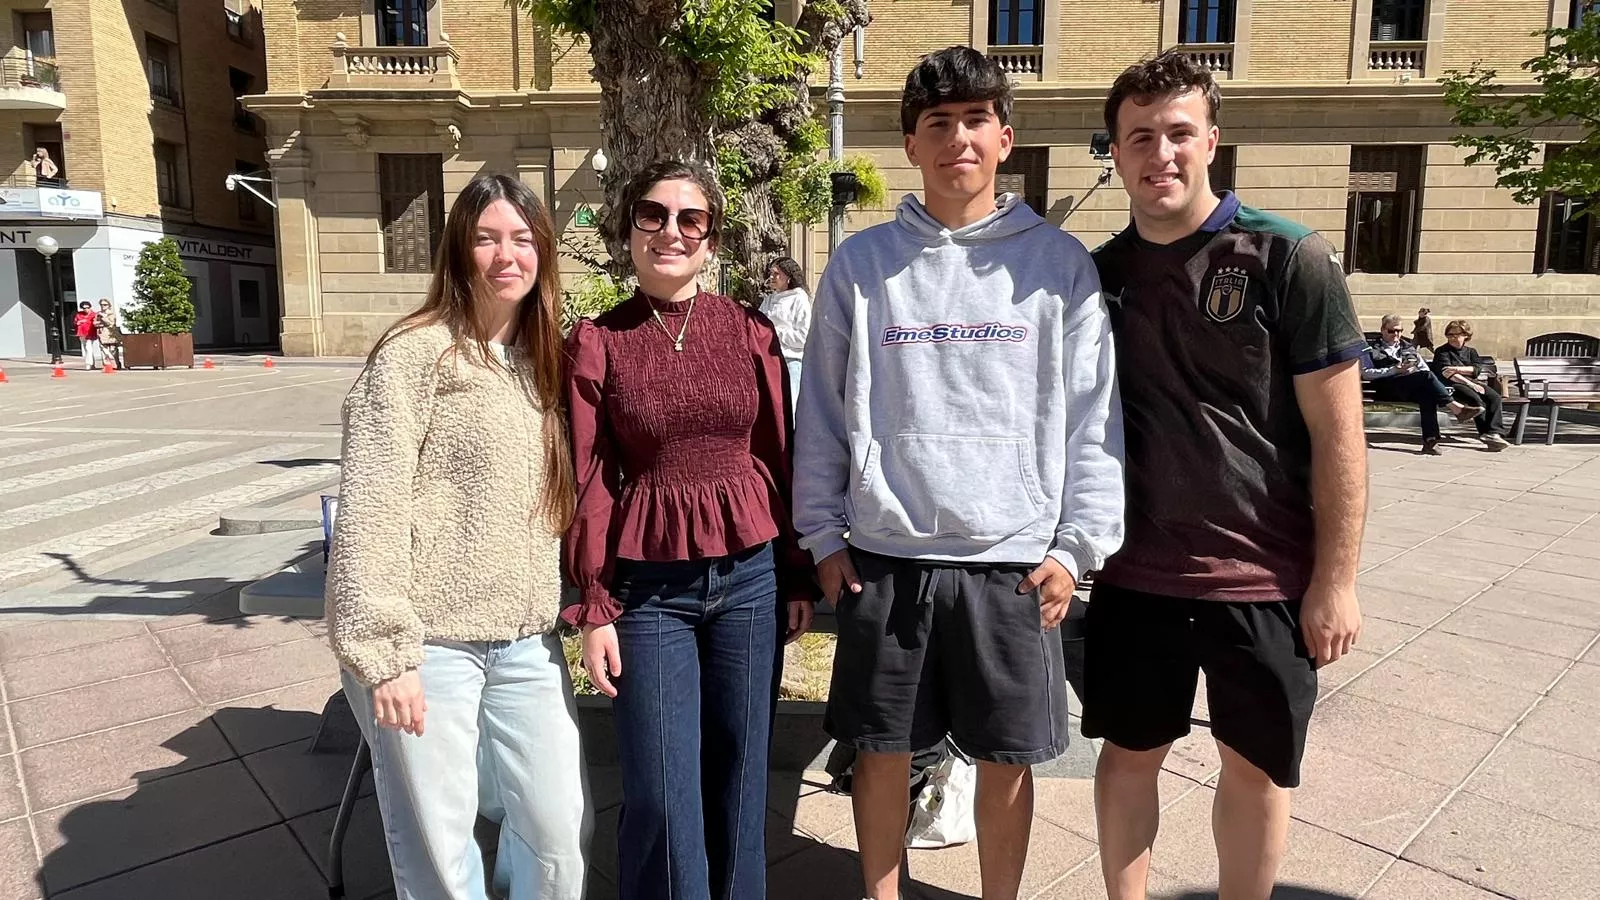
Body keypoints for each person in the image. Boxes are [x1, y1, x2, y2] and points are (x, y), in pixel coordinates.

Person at [793, 46, 1126, 900]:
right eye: (938, 123)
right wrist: (822, 535)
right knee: (881, 751)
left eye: (976, 120)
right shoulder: (862, 266)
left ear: (1005, 138)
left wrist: (1076, 547)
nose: (958, 139)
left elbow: (1093, 418)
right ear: (911, 145)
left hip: (1011, 562)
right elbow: (821, 411)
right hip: (887, 554)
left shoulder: (1059, 265)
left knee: (1007, 762)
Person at [1087, 51, 1366, 900]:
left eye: (1179, 132)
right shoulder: (1096, 277)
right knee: (1128, 757)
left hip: (1265, 578)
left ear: (1212, 139)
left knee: (1256, 769)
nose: (1160, 153)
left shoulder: (1289, 256)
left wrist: (1336, 581)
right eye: (1140, 137)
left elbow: (1341, 436)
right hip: (1136, 575)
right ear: (1115, 152)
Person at [325, 173, 591, 900]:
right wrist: (386, 655)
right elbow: (371, 504)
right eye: (486, 238)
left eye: (522, 238)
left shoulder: (544, 360)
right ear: (458, 250)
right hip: (430, 643)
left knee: (558, 830)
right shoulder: (413, 354)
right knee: (439, 849)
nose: (507, 255)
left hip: (526, 639)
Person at [564, 159, 816, 900]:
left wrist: (796, 572)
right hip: (649, 593)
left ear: (712, 240)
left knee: (740, 774)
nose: (670, 231)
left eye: (690, 219)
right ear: (628, 229)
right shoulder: (598, 341)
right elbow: (589, 478)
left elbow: (778, 454)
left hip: (751, 580)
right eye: (653, 214)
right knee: (660, 788)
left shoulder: (750, 333)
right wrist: (595, 603)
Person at [1361, 313, 1478, 455]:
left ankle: (1430, 441)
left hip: (1410, 385)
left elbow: (1424, 368)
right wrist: (1394, 370)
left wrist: (1412, 371)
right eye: (1392, 331)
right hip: (1387, 387)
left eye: (1399, 331)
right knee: (1425, 379)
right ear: (1383, 330)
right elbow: (1366, 373)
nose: (1396, 334)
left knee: (1427, 395)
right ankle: (1456, 408)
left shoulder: (1407, 346)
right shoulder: (1371, 348)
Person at [1430, 319, 1510, 450]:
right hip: (1452, 384)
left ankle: (1494, 432)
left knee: (1494, 397)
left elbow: (1476, 370)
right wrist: (1469, 382)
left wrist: (1457, 368)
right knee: (1475, 399)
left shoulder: (1471, 351)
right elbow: (1448, 374)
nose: (1453, 338)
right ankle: (1485, 434)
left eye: (1456, 335)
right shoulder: (1442, 351)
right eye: (1450, 335)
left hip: (1472, 382)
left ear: (1465, 335)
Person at [759, 255, 811, 412]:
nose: (772, 277)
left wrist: (775, 332)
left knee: (790, 406)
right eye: (771, 273)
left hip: (790, 362)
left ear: (788, 277)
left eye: (777, 274)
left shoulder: (799, 299)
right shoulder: (769, 300)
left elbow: (804, 336)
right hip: (768, 360)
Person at [73, 301, 102, 370]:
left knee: (88, 347)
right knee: (86, 349)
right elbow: (75, 322)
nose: (86, 309)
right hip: (81, 333)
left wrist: (86, 321)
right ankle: (92, 364)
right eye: (84, 308)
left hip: (90, 333)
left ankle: (89, 364)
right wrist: (78, 322)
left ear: (90, 307)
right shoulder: (79, 314)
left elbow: (96, 322)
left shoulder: (94, 314)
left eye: (87, 307)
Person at [96, 299, 123, 370]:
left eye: (105, 305)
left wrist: (104, 318)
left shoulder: (111, 314)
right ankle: (107, 365)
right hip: (102, 333)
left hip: (111, 333)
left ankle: (116, 364)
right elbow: (95, 323)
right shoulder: (98, 314)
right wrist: (101, 323)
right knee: (104, 350)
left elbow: (111, 323)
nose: (103, 306)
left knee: (113, 349)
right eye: (101, 305)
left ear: (109, 305)